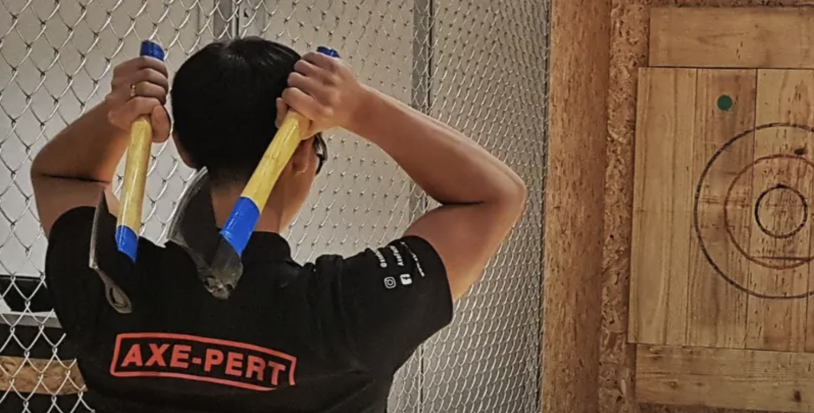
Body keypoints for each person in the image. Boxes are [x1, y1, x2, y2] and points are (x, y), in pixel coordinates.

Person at [30, 37, 526, 413]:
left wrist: (122, 113)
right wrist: (361, 108)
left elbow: (60, 175)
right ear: (302, 156)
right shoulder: (346, 311)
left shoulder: (110, 282)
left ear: (182, 149)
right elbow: (495, 196)